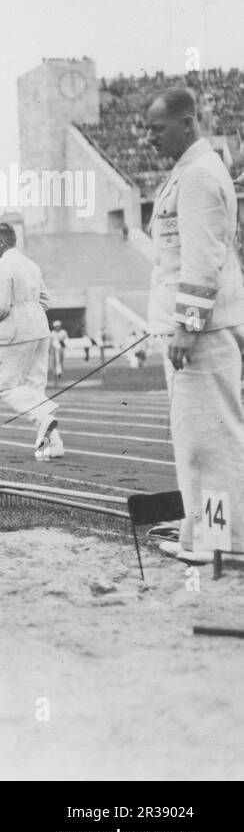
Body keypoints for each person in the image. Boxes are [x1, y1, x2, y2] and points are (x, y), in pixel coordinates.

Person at [143, 87, 244, 563]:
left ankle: (218, 540)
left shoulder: (201, 175)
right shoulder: (188, 172)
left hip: (200, 332)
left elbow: (202, 259)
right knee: (196, 440)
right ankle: (202, 532)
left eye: (157, 129)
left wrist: (186, 325)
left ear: (187, 124)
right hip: (192, 329)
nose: (149, 138)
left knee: (210, 440)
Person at [0, 222, 63, 460]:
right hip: (40, 330)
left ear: (0, 242)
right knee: (33, 390)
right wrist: (31, 314)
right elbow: (46, 299)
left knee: (8, 388)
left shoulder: (1, 265)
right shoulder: (31, 265)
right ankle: (53, 445)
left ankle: (47, 415)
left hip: (14, 333)